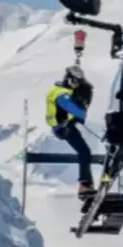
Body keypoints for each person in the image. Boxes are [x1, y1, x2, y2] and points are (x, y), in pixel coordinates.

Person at [46, 65, 96, 198]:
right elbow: (76, 111)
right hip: (63, 128)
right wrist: (82, 104)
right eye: (74, 82)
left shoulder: (59, 90)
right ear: (68, 79)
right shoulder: (61, 94)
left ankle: (87, 184)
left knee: (84, 151)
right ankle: (85, 185)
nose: (75, 85)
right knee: (84, 151)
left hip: (65, 126)